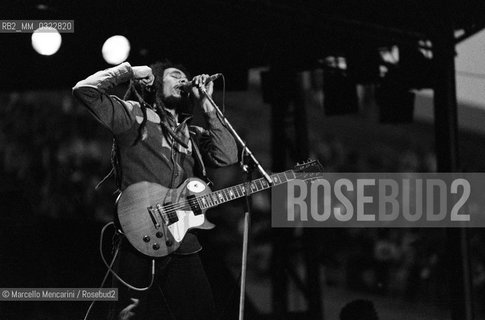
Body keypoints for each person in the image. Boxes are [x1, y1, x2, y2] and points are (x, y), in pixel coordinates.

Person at [72, 61, 238, 320]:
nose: (183, 80)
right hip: (138, 235)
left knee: (201, 312)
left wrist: (208, 108)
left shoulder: (191, 133)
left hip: (182, 241)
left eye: (185, 76)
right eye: (174, 76)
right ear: (156, 83)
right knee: (129, 314)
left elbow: (228, 156)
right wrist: (130, 72)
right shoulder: (133, 116)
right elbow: (85, 90)